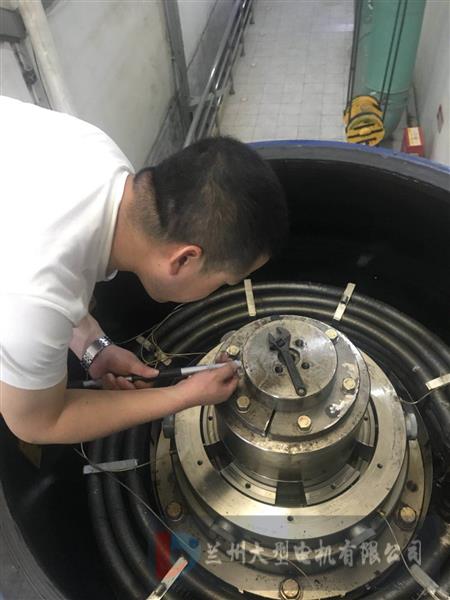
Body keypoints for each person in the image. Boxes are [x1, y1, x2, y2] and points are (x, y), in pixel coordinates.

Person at [0, 96, 288, 445]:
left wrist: (92, 346)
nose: (220, 291)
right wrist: (184, 395)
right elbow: (39, 423)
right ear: (183, 259)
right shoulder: (33, 300)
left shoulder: (98, 152)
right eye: (224, 282)